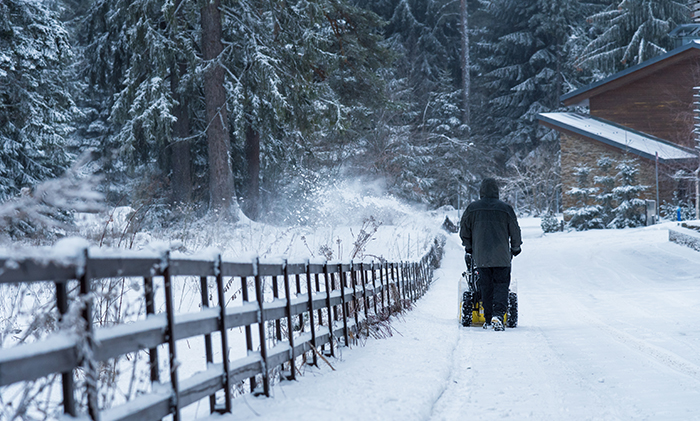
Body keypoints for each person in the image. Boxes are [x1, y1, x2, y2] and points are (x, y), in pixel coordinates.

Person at [459, 178, 522, 331]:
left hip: (481, 256)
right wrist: (515, 247)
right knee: (501, 285)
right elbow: (515, 230)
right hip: (502, 256)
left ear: (481, 191)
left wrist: (469, 247)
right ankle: (498, 315)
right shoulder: (506, 209)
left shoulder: (472, 209)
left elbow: (464, 230)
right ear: (496, 191)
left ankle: (488, 319)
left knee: (485, 285)